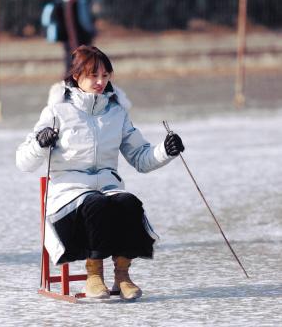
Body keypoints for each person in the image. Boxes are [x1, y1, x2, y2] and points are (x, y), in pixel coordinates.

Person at [16, 45, 184, 300]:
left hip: (107, 187)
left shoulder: (117, 113)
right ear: (76, 76)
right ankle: (93, 276)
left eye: (105, 76)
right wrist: (40, 142)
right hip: (68, 192)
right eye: (93, 75)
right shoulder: (56, 112)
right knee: (95, 204)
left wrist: (166, 151)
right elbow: (23, 161)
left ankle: (122, 276)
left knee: (128, 202)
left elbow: (140, 157)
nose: (100, 82)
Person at [41, 0, 96, 76]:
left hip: (77, 36)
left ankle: (76, 76)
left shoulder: (76, 3)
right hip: (73, 37)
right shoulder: (69, 4)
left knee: (76, 56)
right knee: (73, 56)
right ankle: (73, 77)